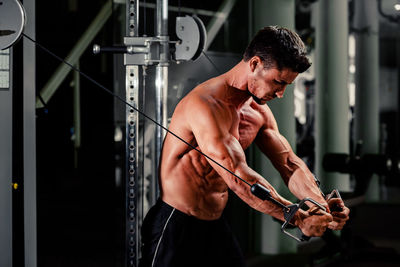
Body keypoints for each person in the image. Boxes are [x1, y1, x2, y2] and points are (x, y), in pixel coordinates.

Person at [139, 26, 350, 267]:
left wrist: (320, 205)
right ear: (255, 64)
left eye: (286, 86)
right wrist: (298, 217)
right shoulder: (205, 105)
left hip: (216, 223)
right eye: (278, 82)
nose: (281, 93)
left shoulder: (258, 111)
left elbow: (289, 164)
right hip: (176, 225)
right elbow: (238, 177)